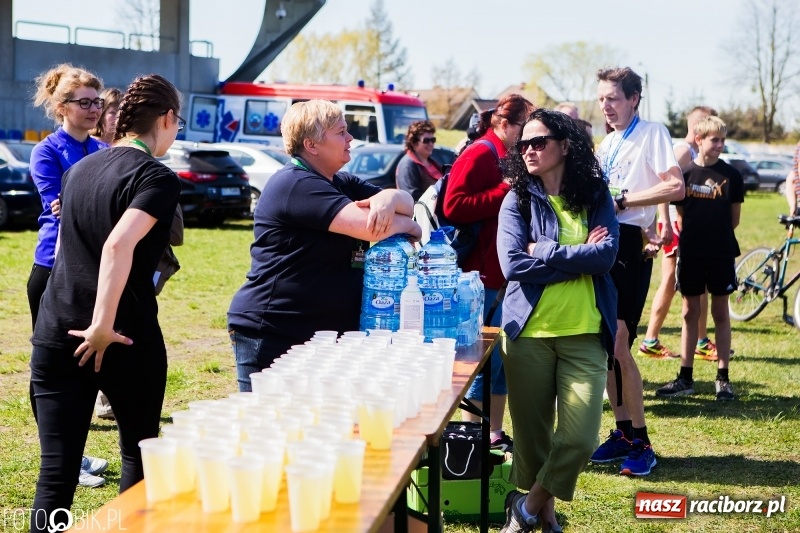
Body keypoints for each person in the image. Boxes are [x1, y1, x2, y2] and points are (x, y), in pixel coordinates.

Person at [29, 74, 183, 530]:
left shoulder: (79, 170)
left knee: (55, 475)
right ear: (167, 119)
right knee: (137, 460)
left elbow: (69, 249)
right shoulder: (156, 175)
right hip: (119, 333)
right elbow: (118, 246)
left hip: (56, 329)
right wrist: (101, 324)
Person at [227, 100, 421, 391]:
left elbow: (408, 203)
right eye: (341, 131)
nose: (350, 138)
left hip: (319, 332)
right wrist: (409, 226)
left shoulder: (340, 181)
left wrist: (390, 199)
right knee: (267, 427)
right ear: (312, 145)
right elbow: (369, 227)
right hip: (275, 331)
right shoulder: (296, 184)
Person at [497, 109, 619, 533]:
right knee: (532, 443)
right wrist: (576, 256)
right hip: (528, 334)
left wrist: (544, 250)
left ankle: (525, 509)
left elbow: (605, 257)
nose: (529, 150)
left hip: (585, 332)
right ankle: (546, 521)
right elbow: (513, 263)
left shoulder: (595, 195)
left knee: (581, 438)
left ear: (564, 146)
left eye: (539, 142)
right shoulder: (517, 198)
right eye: (523, 145)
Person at [589, 67, 684, 477]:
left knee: (621, 341)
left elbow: (674, 185)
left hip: (626, 244)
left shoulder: (653, 132)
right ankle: (624, 431)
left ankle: (643, 442)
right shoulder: (606, 142)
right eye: (602, 99)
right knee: (606, 343)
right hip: (604, 241)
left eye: (613, 98)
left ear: (633, 99)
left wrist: (630, 203)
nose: (606, 106)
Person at [28, 63, 110, 489]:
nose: (95, 108)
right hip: (51, 270)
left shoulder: (102, 150)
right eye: (85, 102)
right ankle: (62, 461)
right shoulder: (46, 151)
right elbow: (60, 207)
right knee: (52, 371)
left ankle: (74, 455)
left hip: (91, 268)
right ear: (62, 107)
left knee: (83, 372)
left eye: (98, 101)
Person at [442, 94, 534, 452]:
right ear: (504, 123)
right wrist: (503, 189)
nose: (529, 138)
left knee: (498, 364)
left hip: (503, 275)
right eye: (524, 128)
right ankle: (473, 436)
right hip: (478, 277)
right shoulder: (481, 152)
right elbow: (454, 205)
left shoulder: (508, 155)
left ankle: (493, 433)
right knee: (479, 363)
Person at [655, 116, 743, 401]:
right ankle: (685, 377)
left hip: (721, 252)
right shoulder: (686, 175)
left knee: (720, 313)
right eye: (713, 139)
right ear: (699, 139)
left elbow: (734, 220)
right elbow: (680, 216)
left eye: (722, 140)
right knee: (689, 313)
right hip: (691, 253)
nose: (719, 145)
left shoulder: (732, 175)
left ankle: (723, 378)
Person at [639, 106, 719, 360]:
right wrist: (664, 220)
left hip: (689, 228)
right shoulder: (683, 151)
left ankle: (700, 340)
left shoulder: (696, 153)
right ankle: (651, 339)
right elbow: (665, 186)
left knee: (694, 283)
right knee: (672, 281)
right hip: (675, 226)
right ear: (697, 127)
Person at [395, 120, 443, 201]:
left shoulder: (433, 162)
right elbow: (412, 197)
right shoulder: (408, 165)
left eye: (433, 140)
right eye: (426, 140)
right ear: (413, 143)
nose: (431, 144)